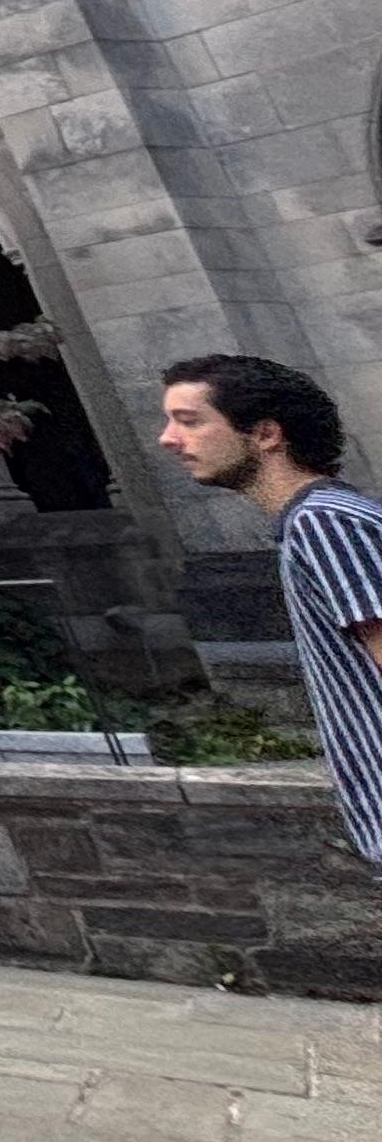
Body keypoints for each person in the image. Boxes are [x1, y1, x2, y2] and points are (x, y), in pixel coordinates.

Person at [154, 354, 382, 863]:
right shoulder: (330, 518)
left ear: (265, 434)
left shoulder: (323, 523)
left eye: (189, 421)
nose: (168, 440)